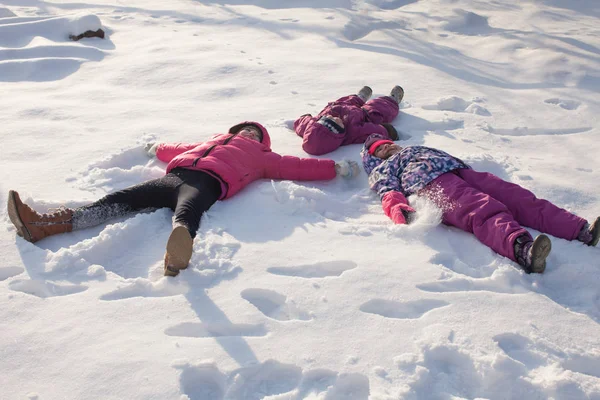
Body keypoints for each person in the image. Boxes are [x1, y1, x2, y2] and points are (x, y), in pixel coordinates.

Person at [7, 122, 360, 277]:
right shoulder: (210, 140)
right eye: (245, 129)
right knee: (120, 198)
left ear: (262, 141)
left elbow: (295, 166)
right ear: (235, 130)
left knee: (187, 212)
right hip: (174, 176)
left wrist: (335, 169)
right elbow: (177, 148)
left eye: (256, 132)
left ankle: (178, 254)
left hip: (207, 183)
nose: (249, 132)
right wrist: (156, 149)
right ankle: (47, 224)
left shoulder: (263, 157)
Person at [361, 134, 600, 273]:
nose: (387, 147)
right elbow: (388, 192)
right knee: (481, 210)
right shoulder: (383, 169)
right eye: (380, 149)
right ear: (375, 159)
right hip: (431, 185)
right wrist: (400, 210)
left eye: (387, 142)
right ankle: (523, 250)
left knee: (519, 198)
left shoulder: (413, 148)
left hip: (462, 172)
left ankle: (578, 230)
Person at [293, 85, 404, 156]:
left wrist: (301, 119)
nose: (333, 117)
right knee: (377, 109)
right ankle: (391, 100)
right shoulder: (352, 132)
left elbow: (303, 124)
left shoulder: (313, 125)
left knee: (346, 100)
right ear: (337, 134)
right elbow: (368, 132)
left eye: (328, 119)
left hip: (342, 106)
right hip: (363, 115)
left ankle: (360, 97)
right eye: (336, 122)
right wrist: (386, 130)